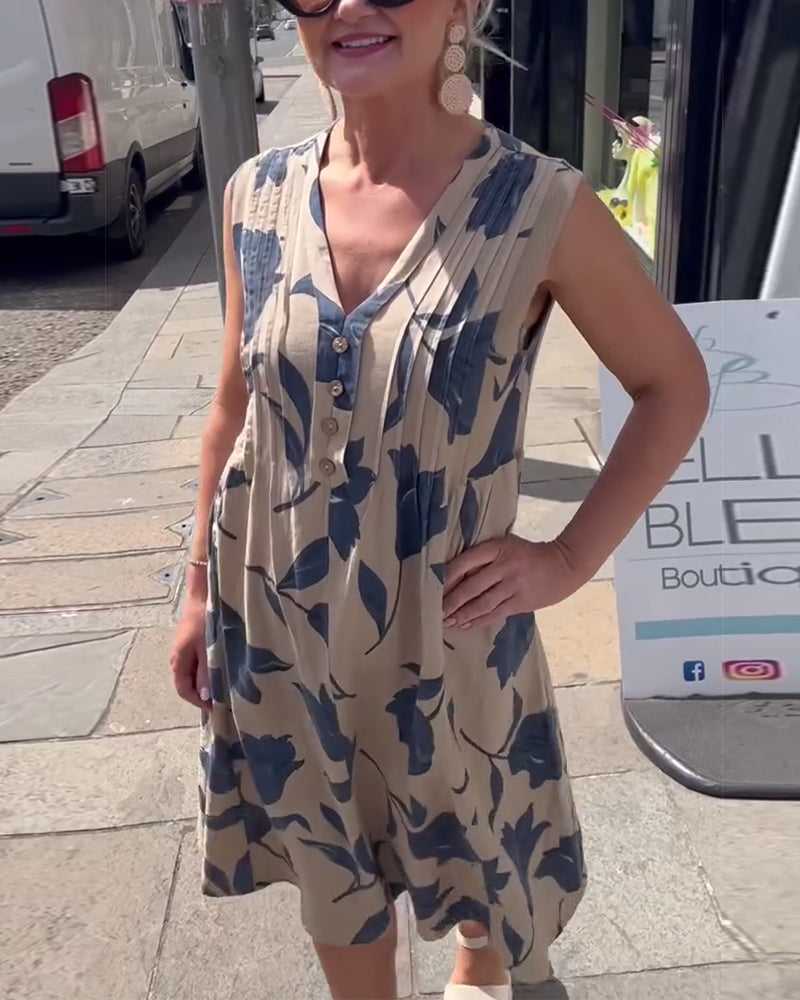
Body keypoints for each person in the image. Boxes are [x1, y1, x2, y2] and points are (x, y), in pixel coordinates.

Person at [170, 1, 710, 998]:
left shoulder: (536, 202)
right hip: (282, 627)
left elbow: (672, 383)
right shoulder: (257, 193)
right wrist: (200, 588)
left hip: (444, 625)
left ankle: (478, 964)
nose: (348, 8)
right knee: (330, 864)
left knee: (476, 834)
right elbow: (232, 409)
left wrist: (568, 558)